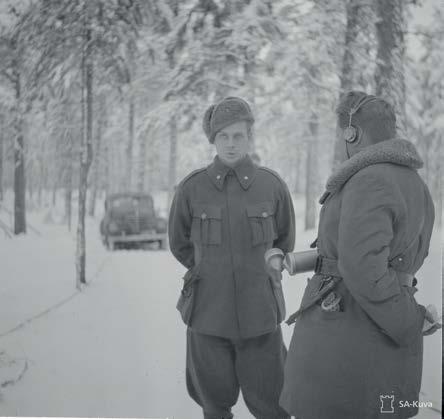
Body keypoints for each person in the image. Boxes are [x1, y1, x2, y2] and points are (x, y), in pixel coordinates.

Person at [279, 91, 437, 419]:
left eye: (344, 135)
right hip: (373, 332)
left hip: (347, 336)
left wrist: (409, 321)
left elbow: (363, 266)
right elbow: (406, 259)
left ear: (354, 133)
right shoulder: (414, 182)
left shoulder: (369, 179)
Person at [168, 96, 295, 419]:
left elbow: (284, 241)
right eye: (223, 136)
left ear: (250, 137)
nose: (231, 144)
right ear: (213, 140)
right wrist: (210, 270)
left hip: (261, 320)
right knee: (214, 407)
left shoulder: (272, 186)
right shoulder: (191, 189)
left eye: (238, 135)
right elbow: (180, 243)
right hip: (208, 319)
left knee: (273, 406)